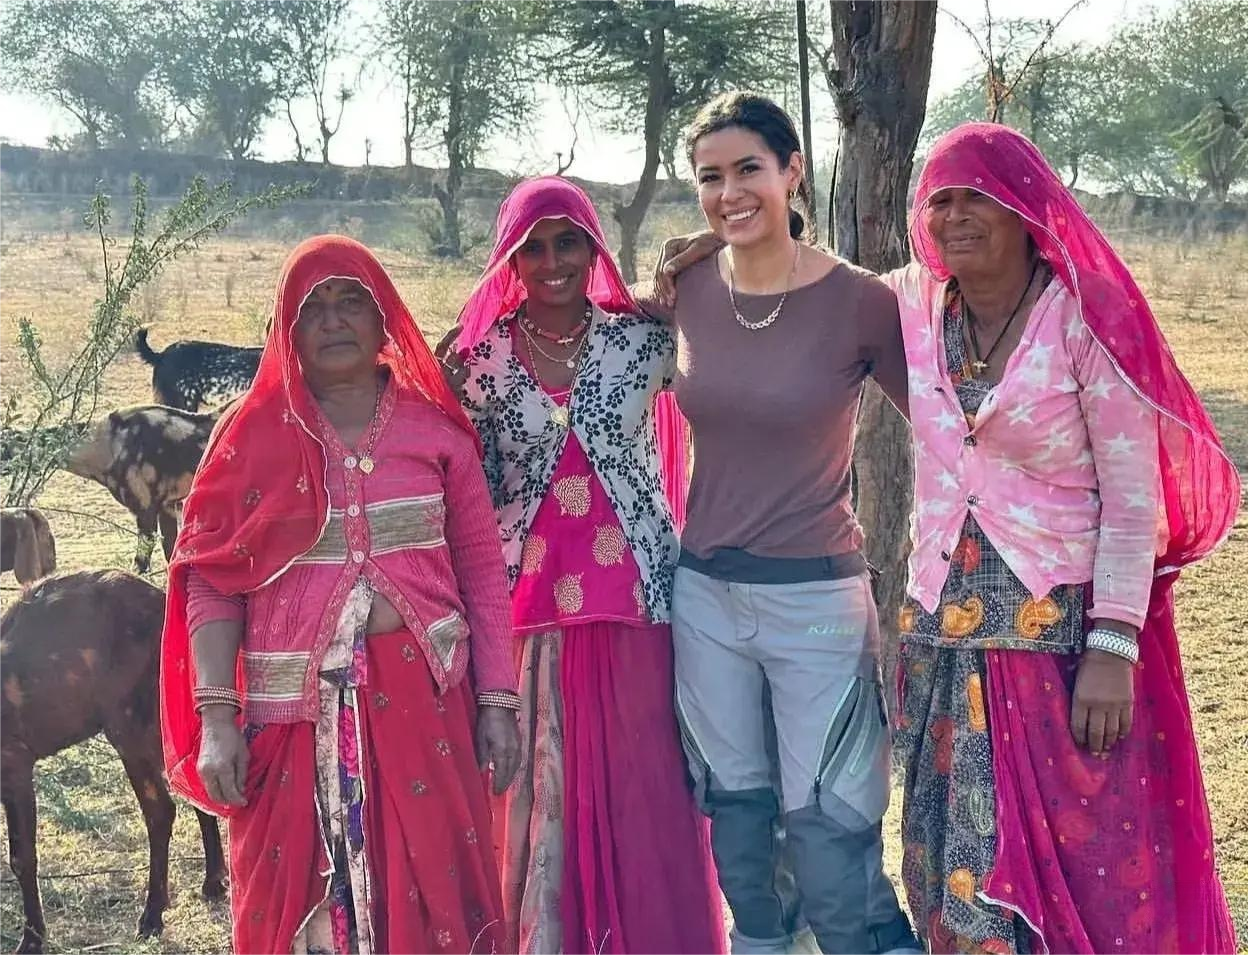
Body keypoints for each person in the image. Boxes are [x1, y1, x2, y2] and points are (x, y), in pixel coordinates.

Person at [656, 123, 1241, 955]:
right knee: (947, 861)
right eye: (941, 202)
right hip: (939, 635)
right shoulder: (915, 307)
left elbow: (1132, 495)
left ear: (1027, 205)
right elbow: (796, 280)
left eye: (979, 197)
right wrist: (709, 238)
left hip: (1057, 636)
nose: (957, 217)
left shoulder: (1080, 321)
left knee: (1072, 856)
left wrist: (1115, 642)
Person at [159, 235, 519, 955]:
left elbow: (481, 566)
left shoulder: (437, 430)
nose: (332, 319)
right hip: (290, 719)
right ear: (285, 328)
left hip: (427, 704)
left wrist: (498, 701)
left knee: (438, 905)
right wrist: (218, 718)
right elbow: (211, 579)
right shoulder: (250, 434)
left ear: (384, 315)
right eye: (311, 306)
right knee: (293, 911)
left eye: (350, 299)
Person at [653, 91, 923, 955]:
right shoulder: (685, 285)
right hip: (705, 596)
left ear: (792, 170)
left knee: (829, 822)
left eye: (748, 171)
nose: (729, 193)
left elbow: (951, 429)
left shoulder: (859, 301)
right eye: (709, 177)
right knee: (735, 811)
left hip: (816, 598)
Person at [441, 176, 725, 955]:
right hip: (524, 615)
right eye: (531, 247)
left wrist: (714, 248)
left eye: (568, 241)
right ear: (510, 257)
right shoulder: (477, 361)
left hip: (638, 607)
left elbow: (750, 322)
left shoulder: (646, 341)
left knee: (643, 793)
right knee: (536, 803)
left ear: (594, 246)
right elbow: (455, 487)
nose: (552, 261)